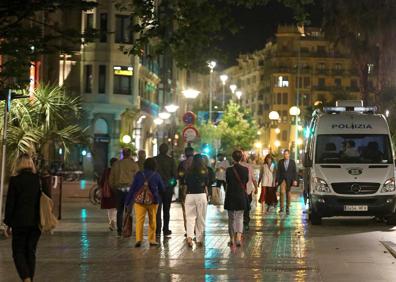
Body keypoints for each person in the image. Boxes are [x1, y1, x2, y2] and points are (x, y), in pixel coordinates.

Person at [4, 154, 42, 282]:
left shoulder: (15, 180)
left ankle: (26, 278)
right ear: (31, 164)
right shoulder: (38, 179)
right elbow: (46, 199)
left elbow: (10, 204)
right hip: (35, 222)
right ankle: (30, 278)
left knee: (18, 252)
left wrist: (7, 223)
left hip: (19, 223)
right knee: (30, 252)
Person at [125, 158, 165, 247]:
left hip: (139, 201)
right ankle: (152, 240)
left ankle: (139, 239)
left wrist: (127, 201)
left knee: (139, 220)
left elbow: (132, 189)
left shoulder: (139, 174)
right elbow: (162, 188)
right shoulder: (156, 175)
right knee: (152, 220)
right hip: (153, 201)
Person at [109, 148, 139, 236]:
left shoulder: (116, 164)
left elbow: (111, 179)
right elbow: (137, 178)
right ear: (129, 154)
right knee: (129, 210)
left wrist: (114, 188)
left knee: (120, 210)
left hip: (119, 189)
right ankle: (128, 229)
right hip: (130, 190)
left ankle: (119, 230)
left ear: (122, 154)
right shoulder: (134, 165)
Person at [224, 150, 249, 247]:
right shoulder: (245, 169)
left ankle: (231, 239)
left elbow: (227, 181)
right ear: (241, 158)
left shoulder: (229, 170)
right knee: (240, 217)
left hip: (231, 196)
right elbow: (246, 181)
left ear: (232, 158)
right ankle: (238, 238)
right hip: (240, 196)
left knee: (231, 218)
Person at [185, 154, 209, 247]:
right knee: (201, 218)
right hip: (201, 195)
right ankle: (199, 239)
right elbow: (207, 183)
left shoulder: (188, 171)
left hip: (190, 195)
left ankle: (190, 238)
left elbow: (185, 183)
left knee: (190, 218)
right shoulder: (205, 171)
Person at [154, 143, 177, 237]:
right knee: (166, 209)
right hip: (167, 188)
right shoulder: (171, 160)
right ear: (167, 150)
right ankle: (166, 229)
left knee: (157, 210)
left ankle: (157, 229)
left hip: (157, 187)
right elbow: (174, 175)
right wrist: (171, 184)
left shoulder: (154, 160)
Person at [177, 146, 194, 235]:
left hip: (184, 188)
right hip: (195, 188)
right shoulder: (197, 163)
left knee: (185, 209)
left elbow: (179, 175)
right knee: (195, 209)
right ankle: (195, 228)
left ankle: (188, 229)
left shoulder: (182, 164)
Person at [276, 149, 298, 215]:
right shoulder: (280, 162)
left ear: (289, 154)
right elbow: (278, 172)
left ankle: (287, 207)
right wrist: (277, 180)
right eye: (284, 154)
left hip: (289, 180)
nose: (285, 155)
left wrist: (295, 180)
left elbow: (295, 171)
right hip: (282, 179)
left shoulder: (292, 162)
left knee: (288, 193)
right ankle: (281, 208)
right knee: (282, 192)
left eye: (287, 154)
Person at [241, 152, 258, 231]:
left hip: (247, 190)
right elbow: (253, 179)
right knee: (246, 208)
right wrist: (256, 187)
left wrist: (256, 187)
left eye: (244, 155)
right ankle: (245, 222)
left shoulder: (249, 166)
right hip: (244, 191)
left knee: (245, 208)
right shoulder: (248, 166)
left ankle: (245, 222)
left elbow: (253, 178)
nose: (244, 157)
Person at [100, 157, 118, 231]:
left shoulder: (107, 170)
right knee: (116, 207)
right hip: (116, 191)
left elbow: (102, 181)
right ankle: (113, 221)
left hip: (108, 192)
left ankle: (111, 221)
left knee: (110, 208)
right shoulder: (117, 171)